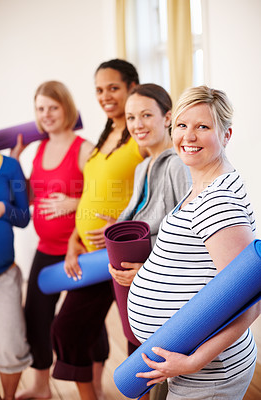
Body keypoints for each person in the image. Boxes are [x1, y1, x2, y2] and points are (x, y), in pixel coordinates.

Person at [127, 85, 260, 400]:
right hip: (188, 360)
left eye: (203, 126)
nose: (188, 135)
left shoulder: (217, 201)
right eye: (183, 125)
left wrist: (193, 361)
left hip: (208, 372)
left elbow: (250, 300)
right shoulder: (203, 181)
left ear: (226, 134)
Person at [50, 59, 144, 400]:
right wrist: (74, 240)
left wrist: (123, 227)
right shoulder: (107, 135)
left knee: (132, 334)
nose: (105, 96)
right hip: (90, 254)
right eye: (100, 90)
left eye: (113, 88)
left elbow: (153, 191)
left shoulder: (140, 135)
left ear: (133, 87)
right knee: (78, 328)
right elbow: (90, 195)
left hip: (119, 253)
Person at [106, 84, 190, 399]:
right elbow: (143, 214)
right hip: (135, 283)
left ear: (167, 116)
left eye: (146, 115)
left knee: (159, 375)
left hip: (160, 283)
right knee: (140, 363)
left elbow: (185, 235)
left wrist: (147, 269)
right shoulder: (144, 166)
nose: (137, 124)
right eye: (130, 117)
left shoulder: (179, 164)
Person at [14, 81, 94, 400]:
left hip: (80, 250)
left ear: (67, 108)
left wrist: (73, 203)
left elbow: (101, 198)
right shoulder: (39, 149)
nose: (46, 114)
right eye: (40, 108)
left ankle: (93, 386)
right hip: (45, 249)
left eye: (53, 107)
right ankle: (40, 386)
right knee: (36, 315)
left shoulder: (85, 149)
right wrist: (17, 161)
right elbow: (31, 195)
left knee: (83, 321)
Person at [0, 150, 32, 400]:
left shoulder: (10, 167)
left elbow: (23, 218)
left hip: (4, 276)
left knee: (11, 346)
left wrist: (4, 208)